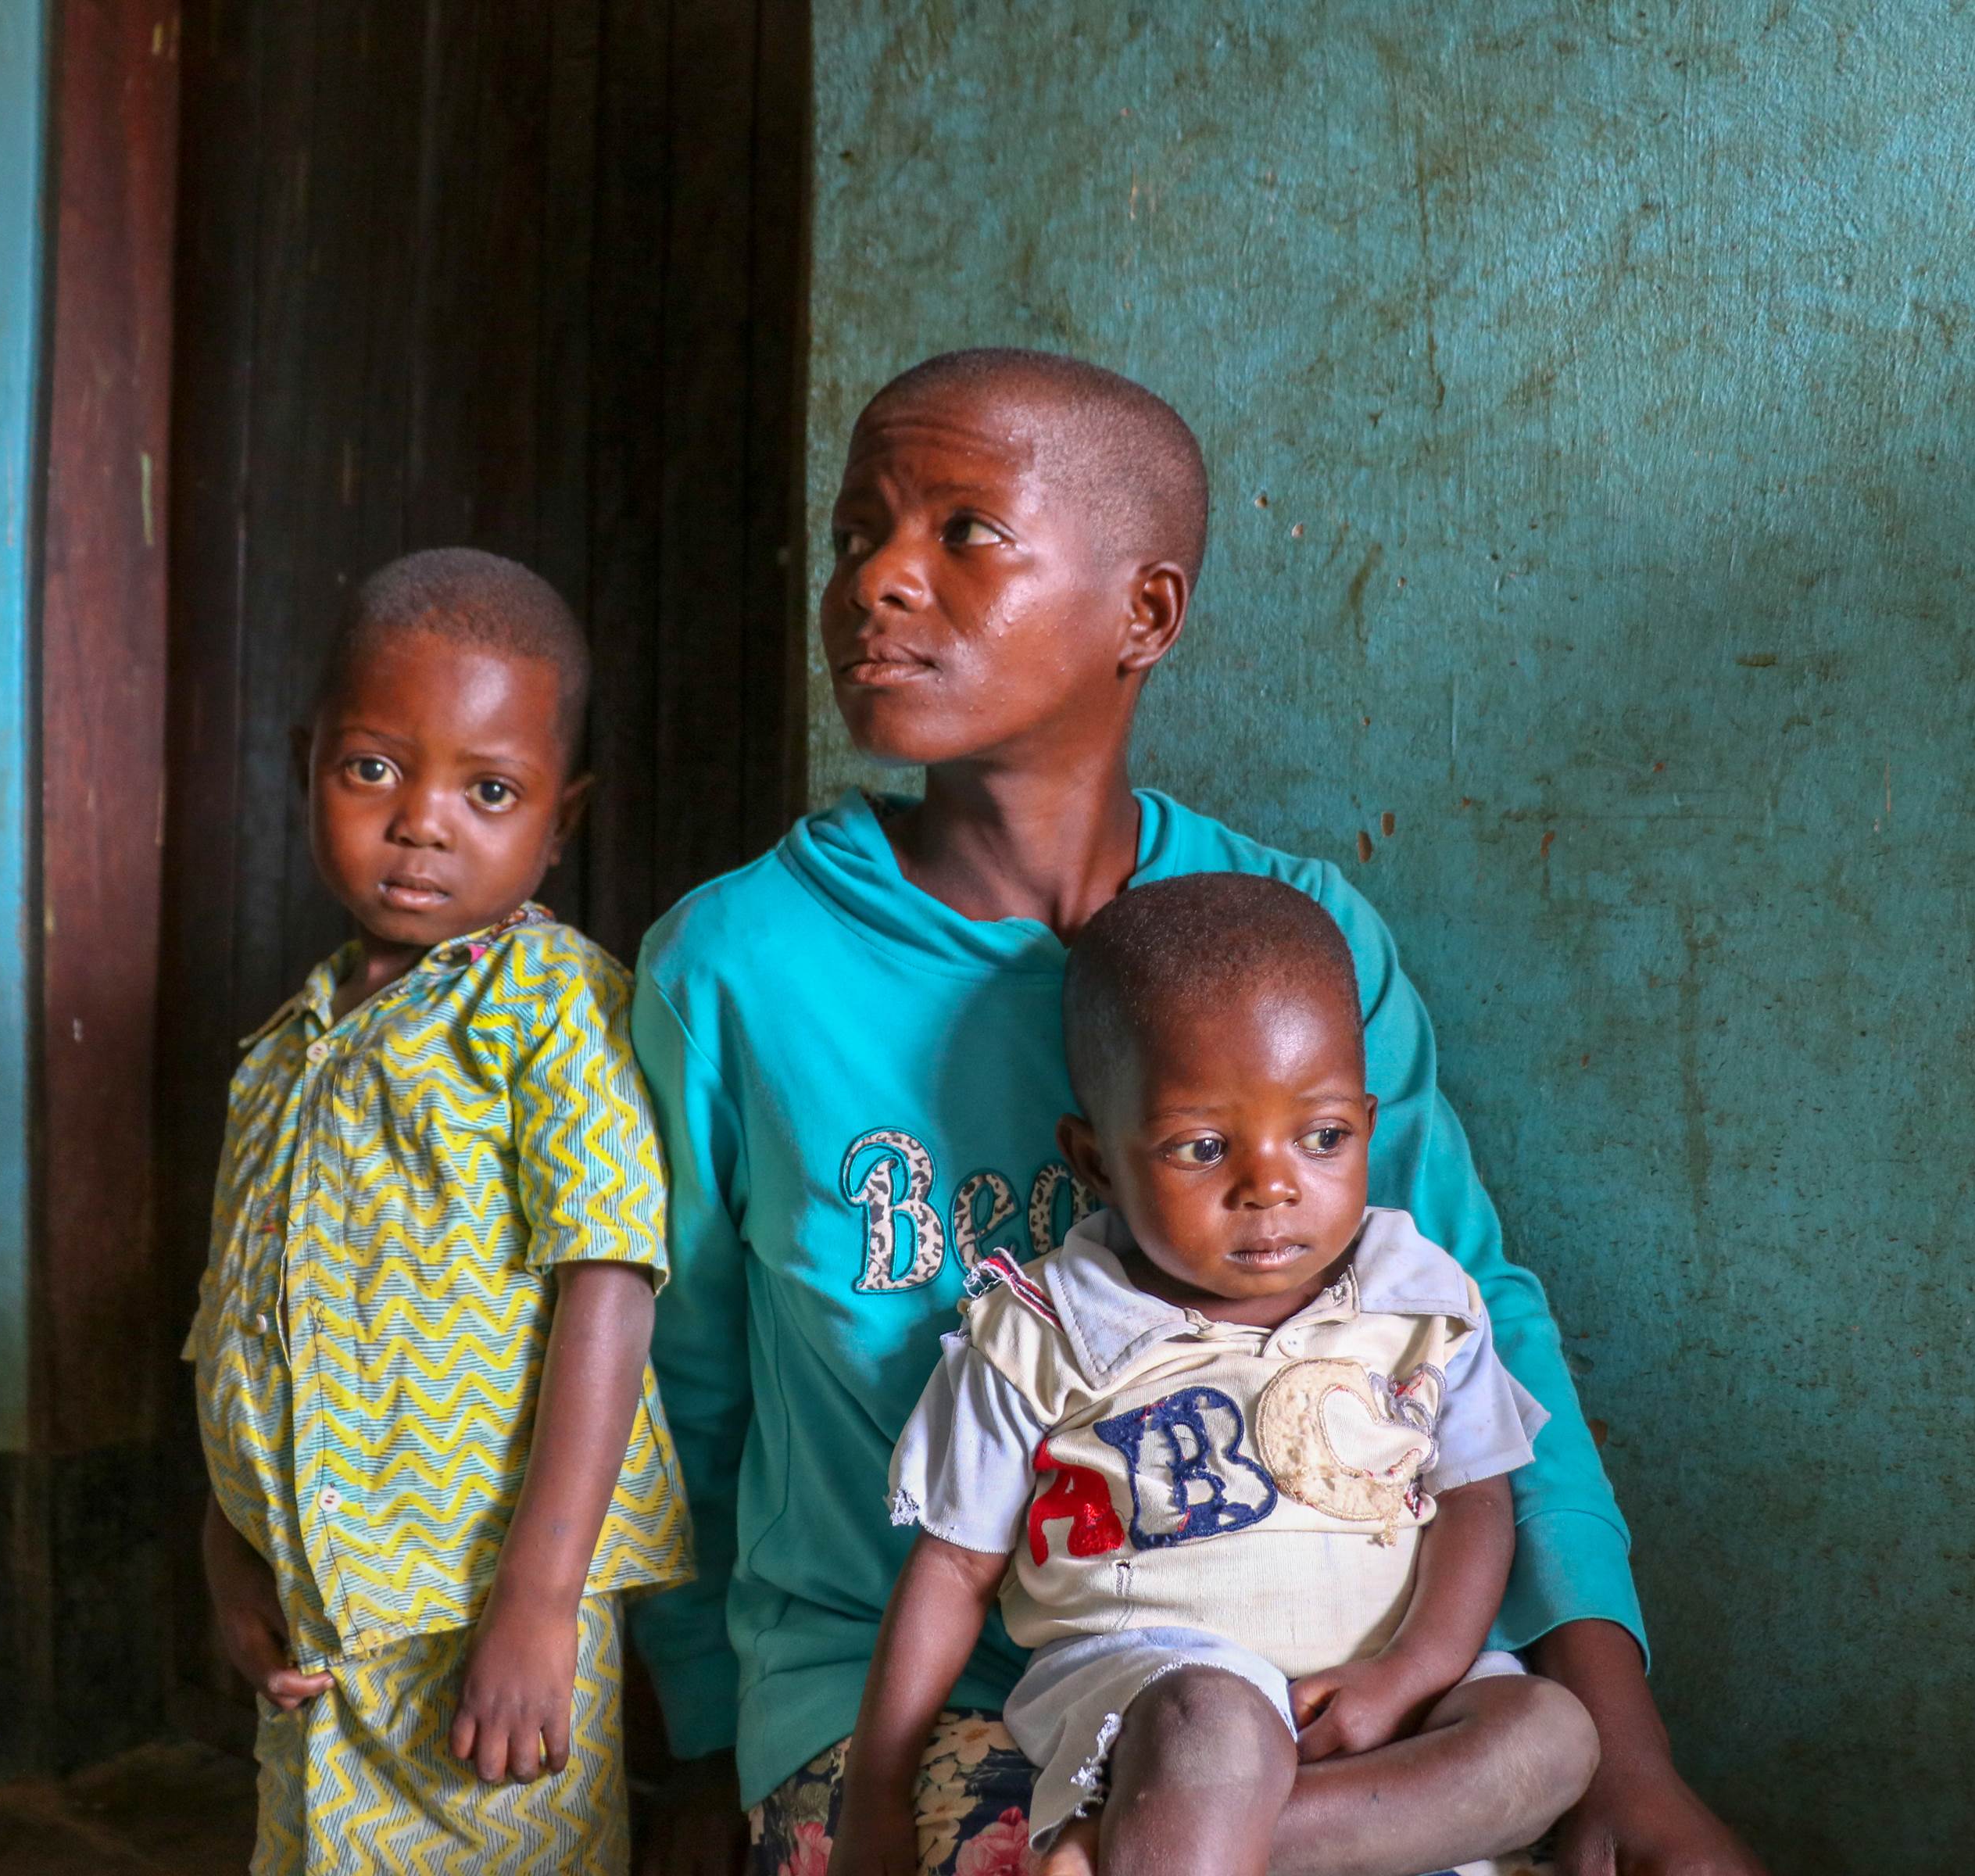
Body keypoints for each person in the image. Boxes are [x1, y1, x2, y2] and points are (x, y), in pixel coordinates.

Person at [631, 349, 1764, 1876]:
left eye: (962, 532)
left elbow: (1476, 1330)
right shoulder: (744, 964)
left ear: (1144, 616)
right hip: (914, 1715)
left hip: (1331, 1694)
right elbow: (679, 1388)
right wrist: (709, 1741)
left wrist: (1627, 1759)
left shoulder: (1296, 943)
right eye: (856, 534)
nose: (876, 582)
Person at [835, 872, 1597, 1876]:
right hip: (1162, 1697)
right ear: (1096, 1163)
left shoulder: (1419, 1298)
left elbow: (1476, 1506)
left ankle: (1134, 1856)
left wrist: (1412, 1672)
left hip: (1381, 1701)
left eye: (1322, 1137)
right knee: (1217, 1723)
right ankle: (1176, 1828)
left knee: (1551, 1736)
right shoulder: (1040, 1330)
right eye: (1202, 1147)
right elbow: (952, 1567)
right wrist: (878, 1798)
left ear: (1369, 1123)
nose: (1273, 1185)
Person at [185, 549, 691, 1874]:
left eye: (489, 791)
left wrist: (540, 1598)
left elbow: (611, 1286)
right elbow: (240, 1324)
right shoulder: (285, 1047)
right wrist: (226, 1549)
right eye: (373, 770)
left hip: (482, 1606)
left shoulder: (550, 1008)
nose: (424, 822)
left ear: (559, 819)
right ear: (307, 766)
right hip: (316, 1611)